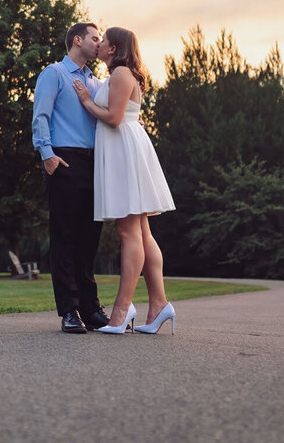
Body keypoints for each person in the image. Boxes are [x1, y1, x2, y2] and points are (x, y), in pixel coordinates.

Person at [72, 26, 177, 335]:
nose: (99, 43)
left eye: (103, 40)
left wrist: (86, 100)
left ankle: (121, 311)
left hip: (124, 152)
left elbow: (114, 119)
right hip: (127, 150)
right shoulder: (121, 74)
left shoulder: (120, 73)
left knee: (128, 229)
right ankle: (159, 305)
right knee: (141, 231)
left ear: (114, 48)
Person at [31, 22, 110, 334]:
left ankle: (90, 308)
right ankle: (69, 310)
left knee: (89, 240)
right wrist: (47, 154)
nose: (99, 42)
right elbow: (41, 115)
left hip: (95, 163)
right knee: (64, 238)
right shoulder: (54, 73)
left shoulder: (96, 81)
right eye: (94, 37)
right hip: (64, 159)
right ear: (77, 40)